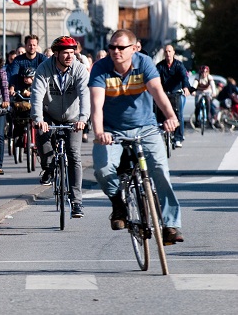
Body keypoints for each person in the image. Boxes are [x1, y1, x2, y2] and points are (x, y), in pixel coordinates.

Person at [89, 29, 183, 244]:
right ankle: (118, 204)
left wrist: (171, 117)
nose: (115, 51)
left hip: (146, 128)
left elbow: (158, 92)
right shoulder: (101, 68)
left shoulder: (144, 63)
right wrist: (99, 133)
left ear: (134, 48)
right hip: (112, 131)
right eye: (112, 47)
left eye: (121, 47)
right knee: (102, 170)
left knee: (159, 169)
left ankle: (170, 224)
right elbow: (96, 106)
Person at [30, 36, 90, 218]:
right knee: (41, 134)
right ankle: (48, 167)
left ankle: (77, 202)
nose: (69, 56)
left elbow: (84, 94)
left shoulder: (79, 69)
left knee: (74, 154)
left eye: (72, 53)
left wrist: (83, 118)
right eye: (65, 53)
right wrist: (39, 118)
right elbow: (37, 94)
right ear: (56, 53)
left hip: (73, 118)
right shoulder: (44, 68)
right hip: (49, 114)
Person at [156, 44, 190, 148]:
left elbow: (184, 76)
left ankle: (178, 138)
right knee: (158, 111)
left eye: (170, 51)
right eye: (166, 52)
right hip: (164, 93)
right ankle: (159, 133)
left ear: (173, 52)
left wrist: (185, 87)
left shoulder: (179, 65)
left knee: (178, 114)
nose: (168, 54)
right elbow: (155, 78)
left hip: (176, 93)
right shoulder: (160, 66)